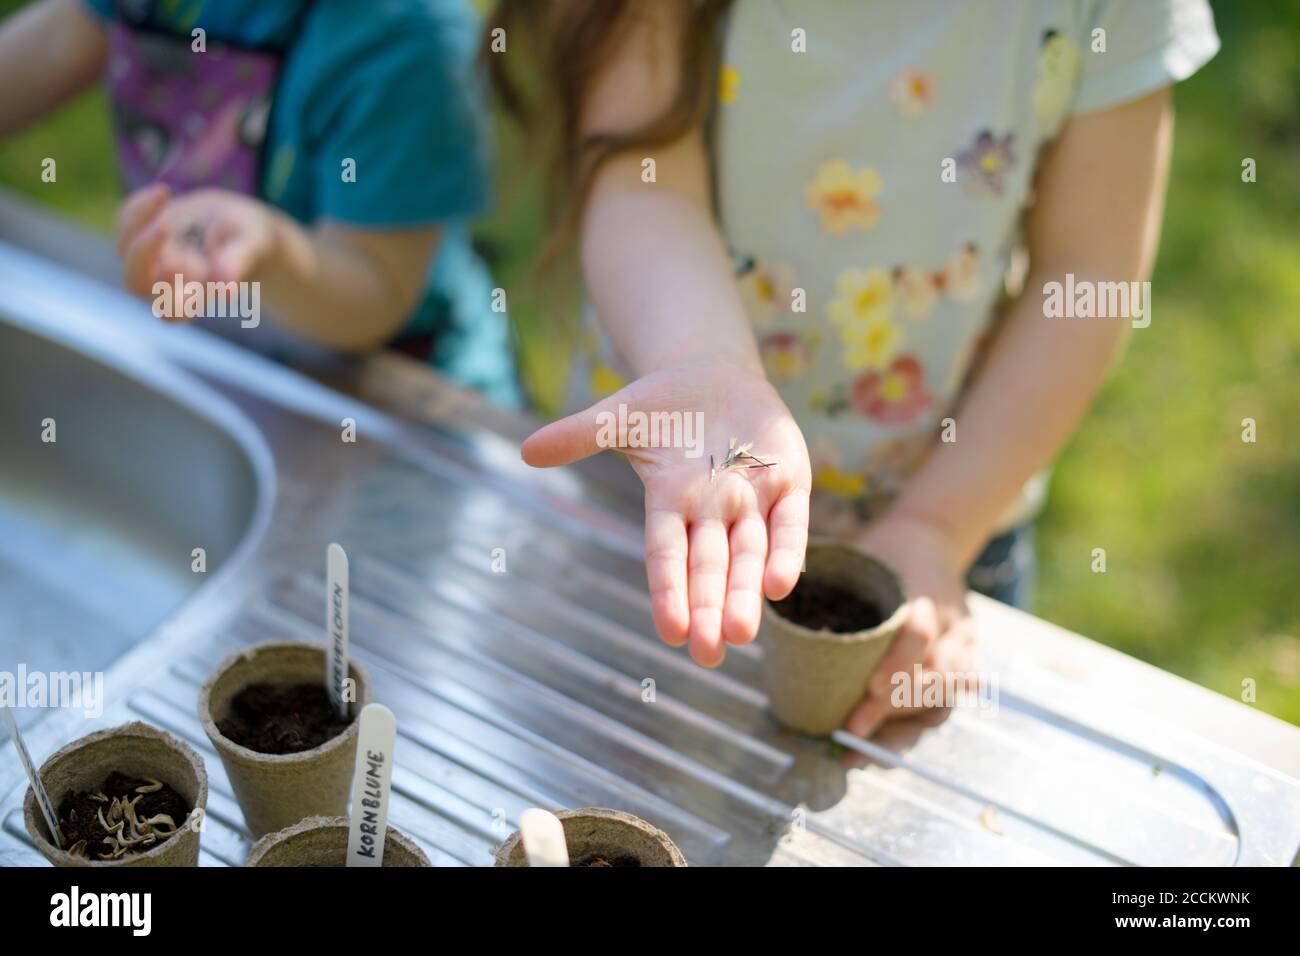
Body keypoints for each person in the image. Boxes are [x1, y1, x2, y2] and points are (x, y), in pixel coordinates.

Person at [497, 0, 1219, 735]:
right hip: (671, 490)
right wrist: (702, 362)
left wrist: (937, 527)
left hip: (951, 514)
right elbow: (644, 179)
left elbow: (1087, 275)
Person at [0, 0, 519, 405]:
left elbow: (375, 284)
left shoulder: (409, 43)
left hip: (400, 389)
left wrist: (270, 250)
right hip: (224, 350)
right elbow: (54, 40)